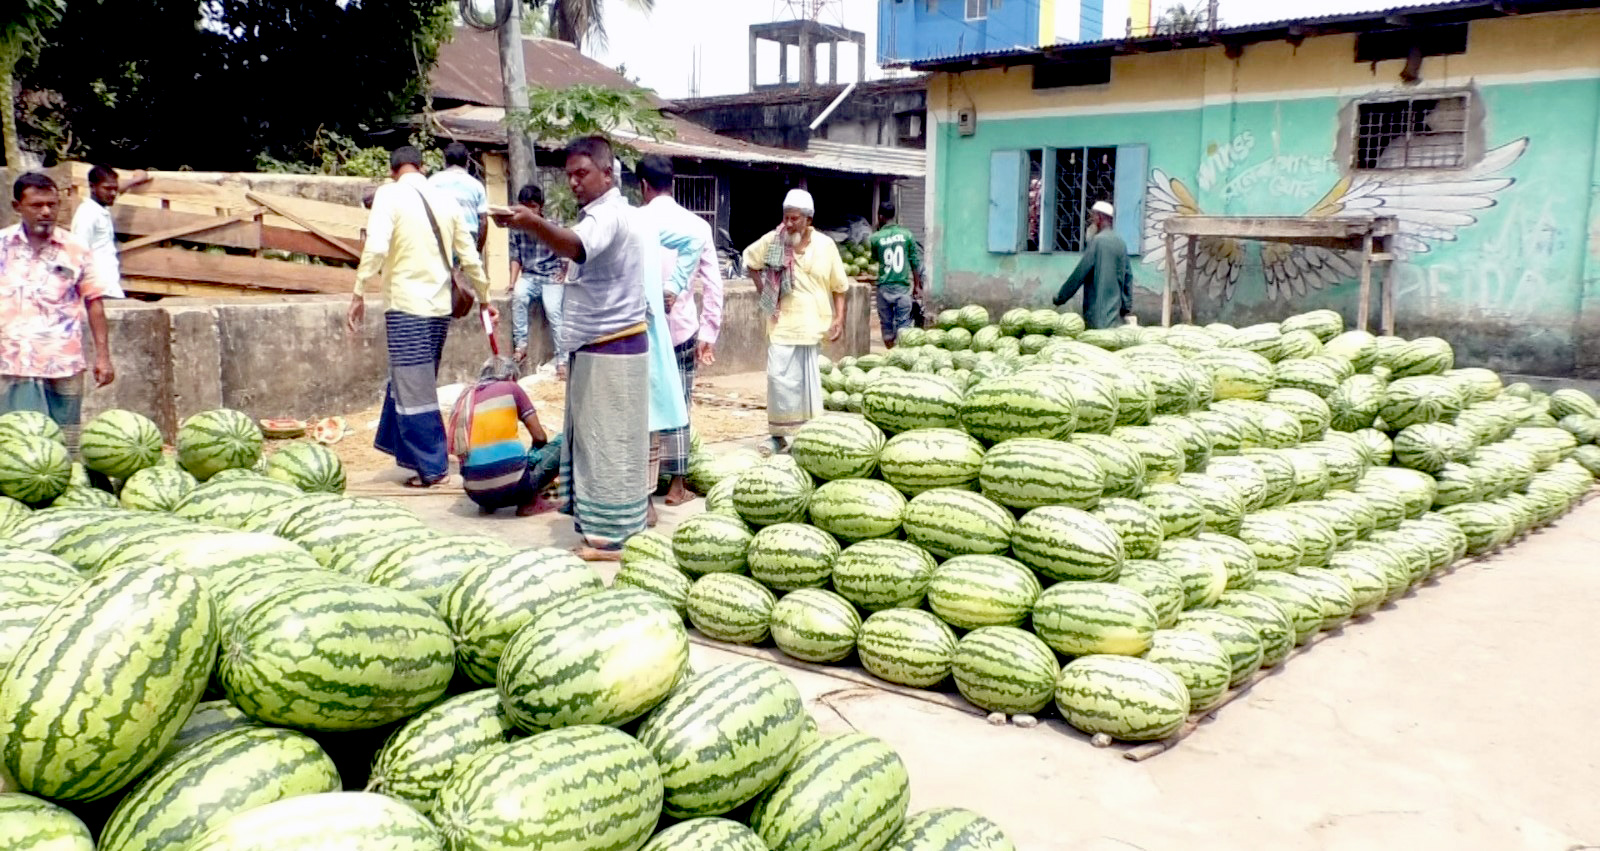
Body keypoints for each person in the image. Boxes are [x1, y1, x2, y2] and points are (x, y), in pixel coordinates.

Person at [492, 136, 652, 560]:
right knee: (603, 443)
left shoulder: (609, 216)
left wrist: (531, 223)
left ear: (607, 172)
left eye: (582, 174)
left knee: (607, 445)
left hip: (610, 348)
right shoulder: (615, 213)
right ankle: (612, 526)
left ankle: (612, 540)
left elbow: (575, 246)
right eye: (569, 176)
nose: (574, 183)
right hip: (606, 346)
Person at [348, 145, 492, 488]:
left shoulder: (389, 195)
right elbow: (469, 255)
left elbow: (378, 246)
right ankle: (408, 453)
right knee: (410, 381)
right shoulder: (446, 200)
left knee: (414, 389)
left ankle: (433, 466)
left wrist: (357, 291)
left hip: (406, 306)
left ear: (393, 169)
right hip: (439, 308)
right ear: (422, 166)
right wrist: (485, 298)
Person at [1, 173, 115, 455]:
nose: (46, 212)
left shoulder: (75, 249)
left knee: (66, 445)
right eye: (37, 205)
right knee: (17, 447)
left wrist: (103, 355)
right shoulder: (1, 246)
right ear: (17, 207)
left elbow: (94, 301)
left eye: (52, 204)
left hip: (62, 362)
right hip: (11, 361)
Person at [637, 154, 723, 507]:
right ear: (672, 183)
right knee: (680, 405)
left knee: (642, 406)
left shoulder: (633, 222)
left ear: (642, 185)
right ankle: (676, 486)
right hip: (682, 329)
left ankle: (642, 485)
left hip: (638, 330)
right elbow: (714, 285)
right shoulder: (697, 226)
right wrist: (708, 333)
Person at [742, 189, 849, 456]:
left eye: (794, 219)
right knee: (779, 381)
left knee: (807, 387)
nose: (788, 224)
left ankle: (806, 437)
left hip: (813, 326)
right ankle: (778, 436)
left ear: (808, 220)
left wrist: (839, 318)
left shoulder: (825, 246)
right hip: (781, 326)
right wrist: (766, 292)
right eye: (785, 218)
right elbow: (750, 261)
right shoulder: (774, 240)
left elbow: (840, 286)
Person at [449, 356, 561, 516]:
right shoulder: (512, 388)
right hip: (517, 488)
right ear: (510, 376)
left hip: (476, 494)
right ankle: (532, 501)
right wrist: (535, 452)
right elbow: (540, 437)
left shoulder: (466, 396)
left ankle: (489, 504)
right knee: (563, 442)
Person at [69, 164, 150, 301]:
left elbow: (118, 189)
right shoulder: (87, 214)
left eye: (115, 188)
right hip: (98, 291)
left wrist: (136, 180)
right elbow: (77, 253)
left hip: (110, 287)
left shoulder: (102, 207)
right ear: (92, 187)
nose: (112, 193)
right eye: (107, 189)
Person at [508, 184, 567, 366]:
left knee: (554, 311)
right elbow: (515, 256)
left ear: (540, 206)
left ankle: (562, 360)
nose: (529, 210)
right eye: (525, 206)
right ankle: (521, 345)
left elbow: (567, 250)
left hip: (551, 277)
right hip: (529, 276)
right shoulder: (516, 229)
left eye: (532, 206)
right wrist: (512, 281)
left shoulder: (552, 226)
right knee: (518, 296)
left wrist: (564, 273)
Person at [1053, 200, 1134, 330]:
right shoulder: (1121, 243)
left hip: (1097, 314)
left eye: (1093, 217)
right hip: (1115, 314)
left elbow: (1079, 273)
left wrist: (1061, 297)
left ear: (1099, 218)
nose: (1092, 221)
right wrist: (1126, 306)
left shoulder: (1097, 242)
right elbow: (1128, 277)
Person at [868, 201, 923, 347]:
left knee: (886, 327)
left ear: (880, 216)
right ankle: (901, 356)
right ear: (894, 215)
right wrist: (917, 286)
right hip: (902, 287)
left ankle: (890, 353)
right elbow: (915, 262)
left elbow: (874, 259)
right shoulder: (907, 235)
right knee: (903, 325)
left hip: (884, 288)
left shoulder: (875, 238)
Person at [428, 142, 489, 255]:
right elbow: (484, 222)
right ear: (467, 162)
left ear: (445, 161)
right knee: (466, 271)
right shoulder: (476, 185)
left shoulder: (432, 182)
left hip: (441, 233)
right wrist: (478, 251)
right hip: (468, 234)